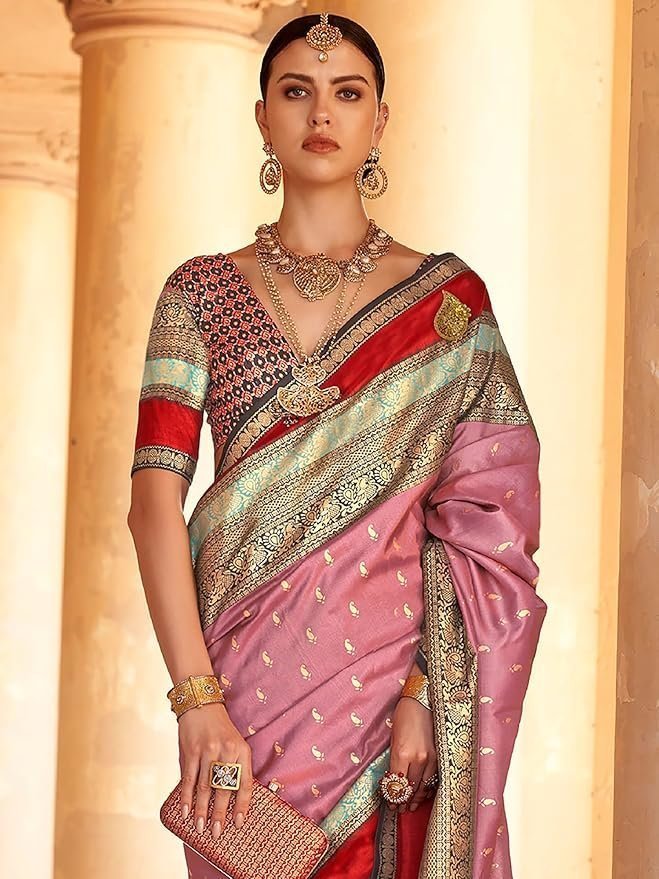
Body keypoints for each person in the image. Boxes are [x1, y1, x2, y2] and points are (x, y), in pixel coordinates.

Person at [127, 11, 546, 879]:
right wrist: (196, 699)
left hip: (390, 699)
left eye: (347, 93)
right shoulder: (198, 292)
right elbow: (151, 502)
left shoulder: (448, 307)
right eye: (296, 91)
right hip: (240, 693)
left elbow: (485, 524)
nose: (321, 113)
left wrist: (425, 690)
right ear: (262, 117)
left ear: (379, 120)